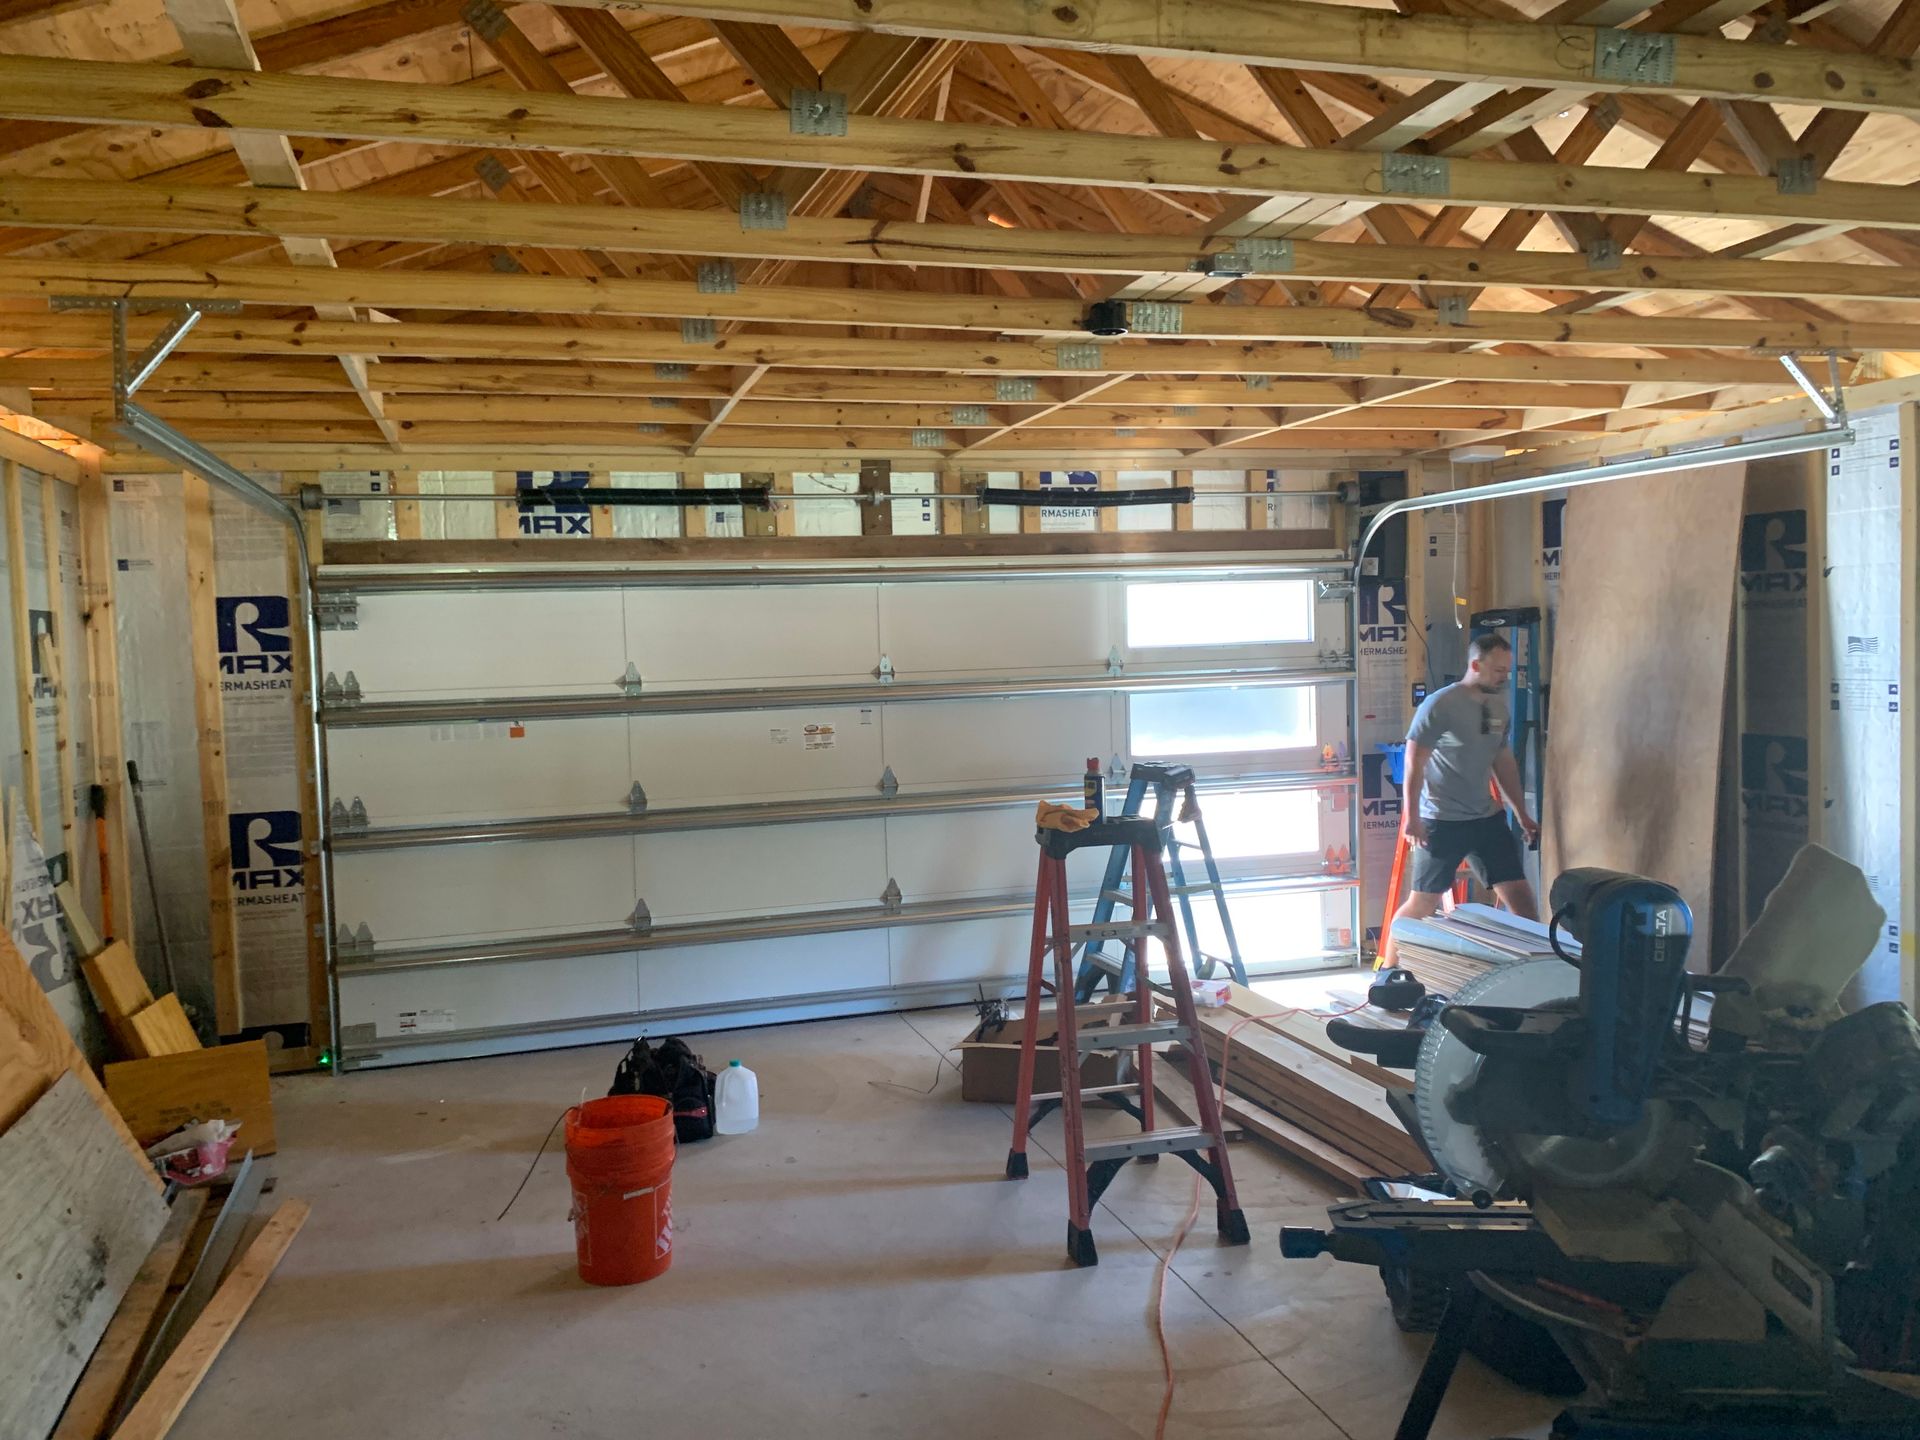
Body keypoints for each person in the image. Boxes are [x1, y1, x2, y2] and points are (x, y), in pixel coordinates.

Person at [1381, 631, 1539, 965]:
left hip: (1486, 818)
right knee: (1422, 903)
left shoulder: (1497, 707)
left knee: (1522, 900)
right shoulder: (1441, 705)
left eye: (1506, 670)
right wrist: (1412, 816)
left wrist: (1521, 814)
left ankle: (1533, 969)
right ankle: (1389, 971)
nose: (1503, 677)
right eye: (1497, 670)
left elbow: (1502, 761)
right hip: (1442, 820)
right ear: (1475, 665)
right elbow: (1414, 761)